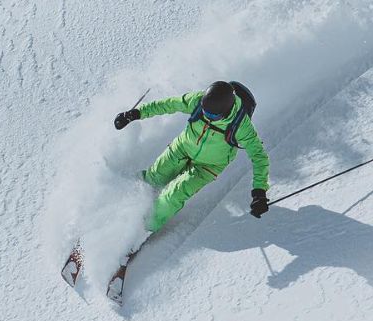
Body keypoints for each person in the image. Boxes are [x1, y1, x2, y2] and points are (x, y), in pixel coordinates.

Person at [113, 81, 270, 233]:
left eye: (212, 116)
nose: (207, 117)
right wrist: (136, 113)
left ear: (225, 113)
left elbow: (259, 156)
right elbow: (168, 104)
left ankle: (142, 230)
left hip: (207, 167)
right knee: (153, 180)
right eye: (204, 112)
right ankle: (120, 203)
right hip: (182, 149)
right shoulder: (197, 101)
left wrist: (259, 192)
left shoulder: (241, 125)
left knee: (172, 196)